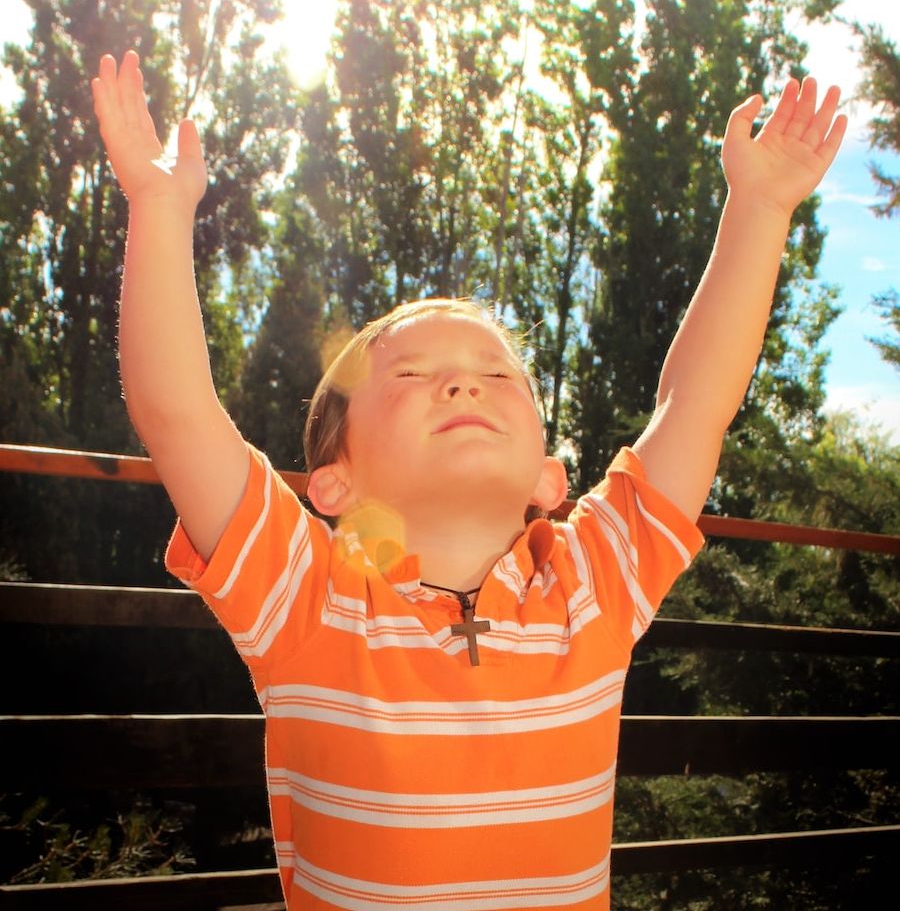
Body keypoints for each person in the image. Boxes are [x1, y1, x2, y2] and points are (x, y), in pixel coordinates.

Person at [92, 50, 846, 910]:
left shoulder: (593, 583)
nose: (463, 383)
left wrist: (759, 207)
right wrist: (156, 204)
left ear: (551, 479)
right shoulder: (305, 600)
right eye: (411, 376)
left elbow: (694, 403)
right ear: (331, 485)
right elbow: (178, 412)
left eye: (499, 376)